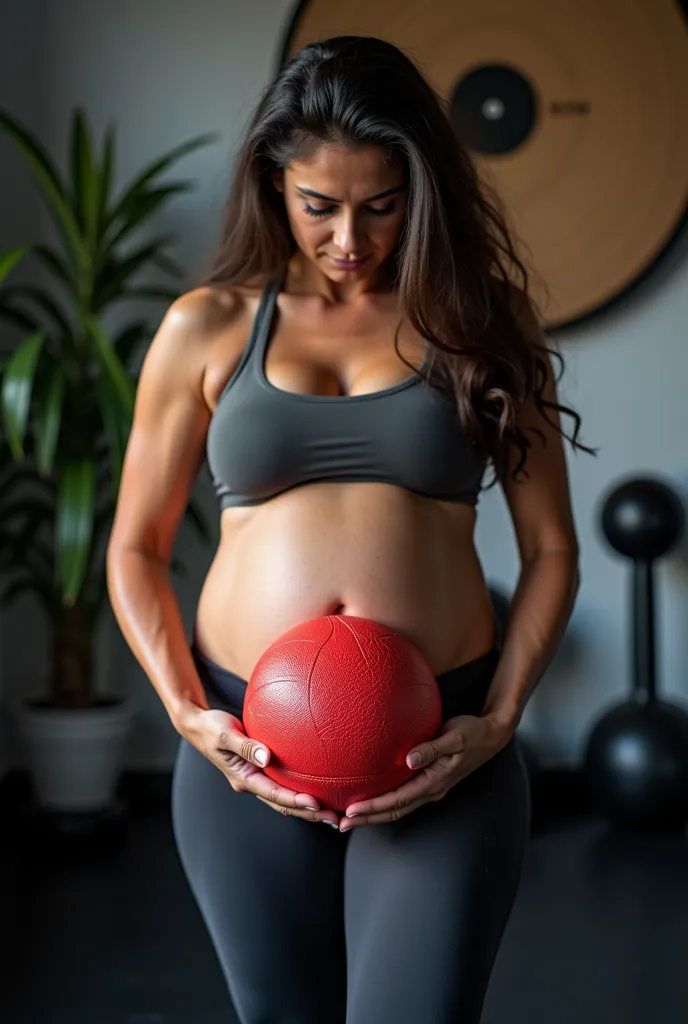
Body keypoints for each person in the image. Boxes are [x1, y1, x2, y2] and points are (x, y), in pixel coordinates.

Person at [107, 35, 591, 1024]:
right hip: (248, 747)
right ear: (273, 184)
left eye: (381, 206)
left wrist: (498, 720)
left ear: (422, 189)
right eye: (317, 206)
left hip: (442, 748)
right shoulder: (205, 326)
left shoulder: (479, 323)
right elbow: (133, 547)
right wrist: (185, 712)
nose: (348, 240)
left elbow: (550, 549)